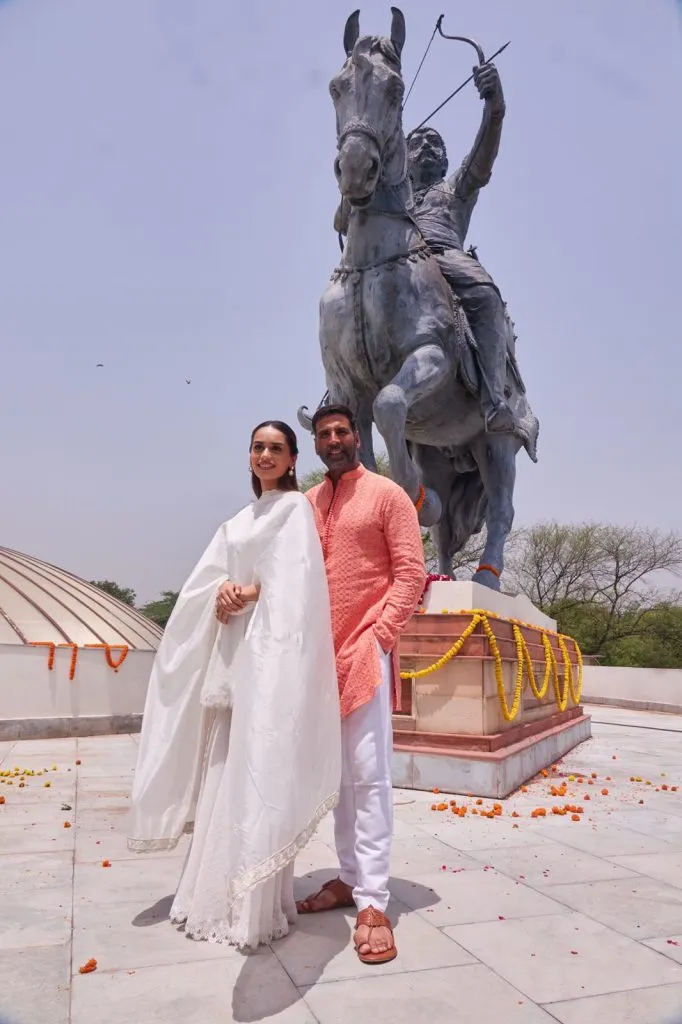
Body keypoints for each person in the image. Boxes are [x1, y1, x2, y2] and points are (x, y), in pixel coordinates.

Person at [128, 421, 341, 950]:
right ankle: (212, 892)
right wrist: (221, 594)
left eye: (276, 448)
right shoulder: (238, 519)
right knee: (226, 770)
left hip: (268, 662)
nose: (265, 455)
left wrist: (246, 591)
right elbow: (207, 580)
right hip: (232, 657)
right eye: (257, 447)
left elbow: (296, 584)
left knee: (257, 767)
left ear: (292, 459)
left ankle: (254, 907)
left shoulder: (295, 511)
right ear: (248, 457)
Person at [296, 405, 426, 965]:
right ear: (316, 445)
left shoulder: (387, 495)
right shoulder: (307, 504)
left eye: (341, 431)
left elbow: (411, 573)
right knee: (339, 780)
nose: (333, 440)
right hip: (317, 664)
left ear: (356, 437)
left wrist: (379, 636)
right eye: (323, 434)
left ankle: (373, 901)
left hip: (365, 658)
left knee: (369, 780)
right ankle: (348, 878)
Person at [406, 62, 517, 435]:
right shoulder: (393, 200)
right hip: (399, 267)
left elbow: (485, 151)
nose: (426, 147)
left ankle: (494, 399)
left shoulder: (456, 187)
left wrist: (494, 105)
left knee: (486, 295)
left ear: (447, 161)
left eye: (434, 143)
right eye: (417, 143)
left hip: (444, 258)